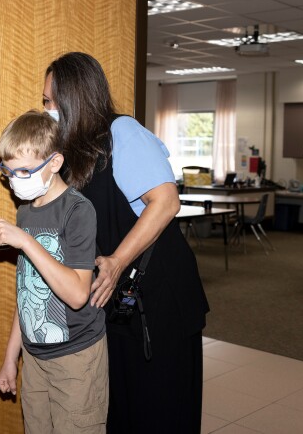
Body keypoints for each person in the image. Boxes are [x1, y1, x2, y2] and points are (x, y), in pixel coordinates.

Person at [42, 52, 209, 433]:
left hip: (161, 302)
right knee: (122, 409)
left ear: (75, 97)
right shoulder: (73, 154)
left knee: (161, 410)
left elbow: (166, 201)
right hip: (117, 304)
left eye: (51, 101)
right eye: (45, 103)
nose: (48, 109)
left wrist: (117, 260)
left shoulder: (123, 134)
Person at [0, 110, 108, 433]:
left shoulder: (78, 211)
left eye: (25, 171)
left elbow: (76, 294)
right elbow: (27, 293)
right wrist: (9, 359)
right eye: (9, 172)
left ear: (55, 163)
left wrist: (27, 243)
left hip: (76, 361)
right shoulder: (25, 213)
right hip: (34, 358)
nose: (15, 180)